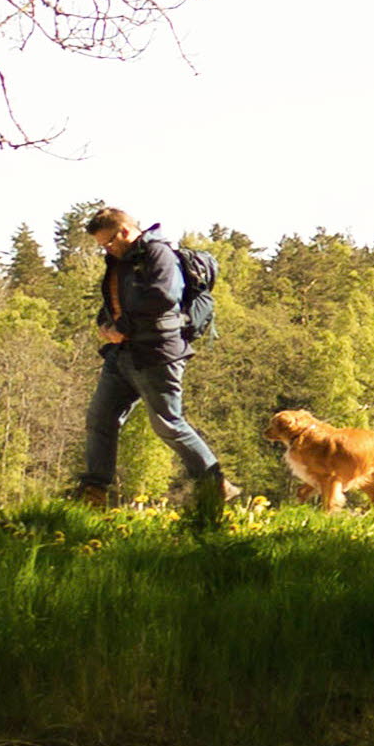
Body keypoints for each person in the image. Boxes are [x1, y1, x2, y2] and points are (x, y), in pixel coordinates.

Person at [73, 205, 222, 514]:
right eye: (102, 245)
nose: (106, 249)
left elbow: (162, 298)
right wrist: (105, 325)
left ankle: (215, 483)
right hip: (123, 354)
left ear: (125, 231)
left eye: (108, 242)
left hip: (158, 353)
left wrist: (122, 328)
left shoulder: (158, 254)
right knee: (100, 419)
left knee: (168, 423)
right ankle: (94, 490)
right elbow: (113, 301)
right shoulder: (118, 261)